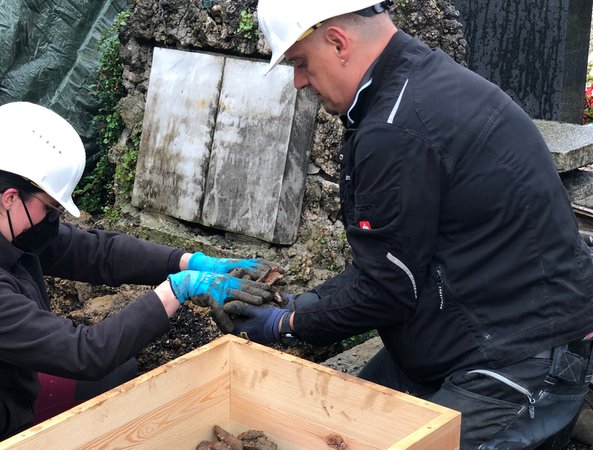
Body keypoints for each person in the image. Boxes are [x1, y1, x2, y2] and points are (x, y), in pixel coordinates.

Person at [224, 1, 593, 448]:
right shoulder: (416, 81)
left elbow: (386, 291)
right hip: (475, 327)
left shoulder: (396, 128)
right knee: (333, 429)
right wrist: (308, 301)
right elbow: (391, 262)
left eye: (301, 62)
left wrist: (285, 323)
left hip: (521, 356)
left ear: (337, 42)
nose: (299, 81)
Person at [0, 101, 272, 449]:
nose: (53, 219)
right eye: (50, 207)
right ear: (10, 197)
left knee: (120, 372)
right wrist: (176, 290)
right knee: (102, 374)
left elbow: (97, 252)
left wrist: (187, 261)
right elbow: (84, 354)